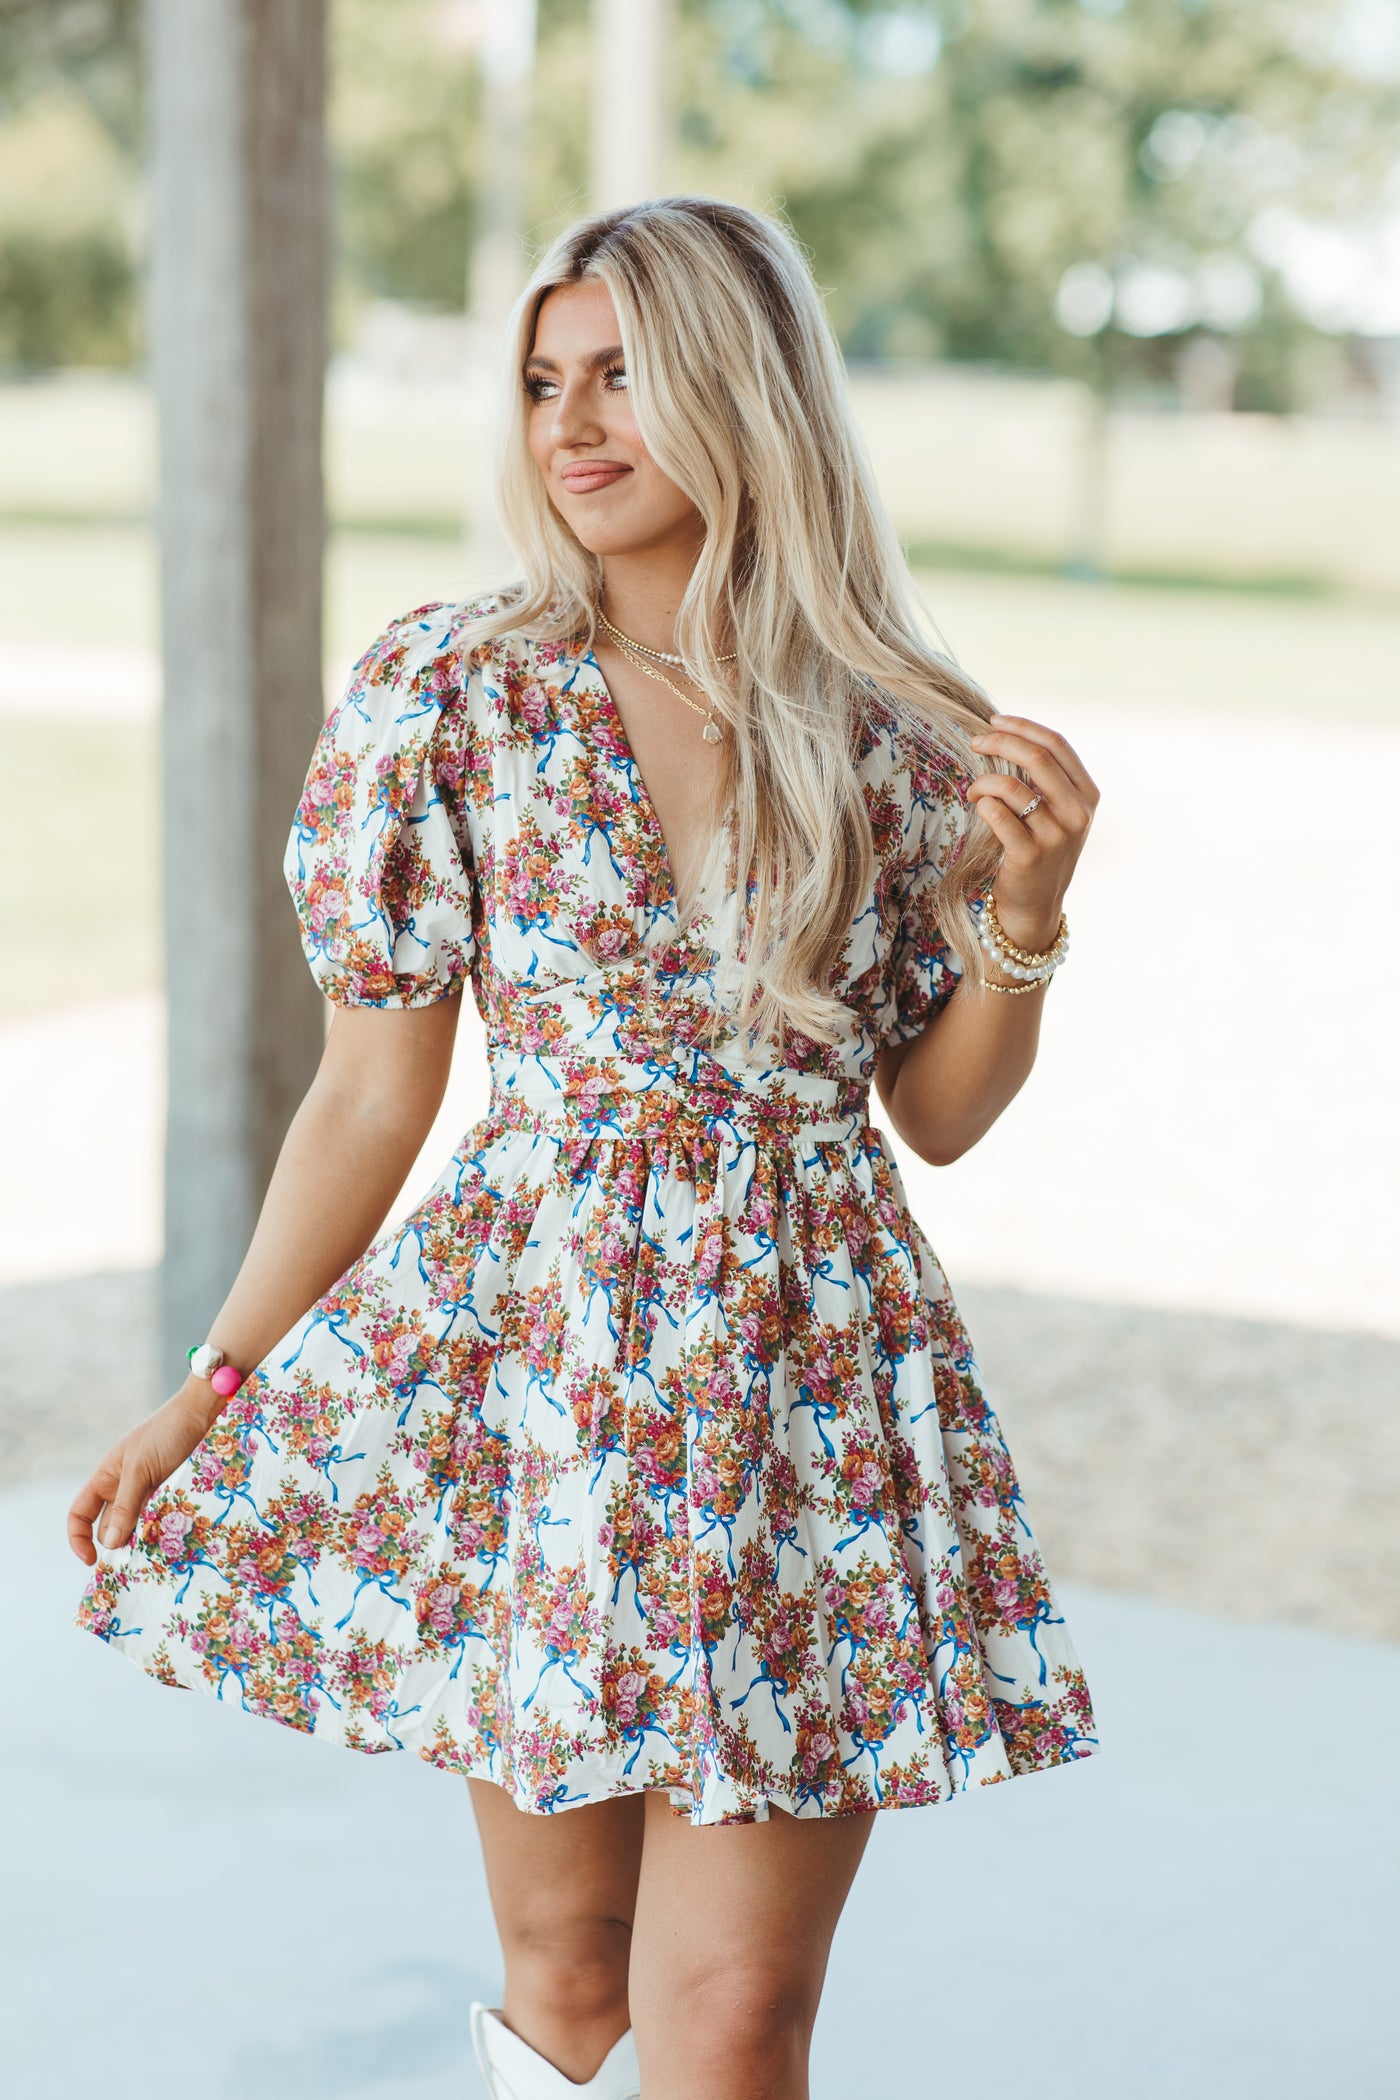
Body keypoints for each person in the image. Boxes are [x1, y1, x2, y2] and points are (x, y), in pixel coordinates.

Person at [69, 195, 1101, 2100]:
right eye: (545, 380)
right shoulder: (450, 694)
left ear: (745, 385)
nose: (572, 421)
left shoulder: (895, 734)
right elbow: (372, 1088)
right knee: (567, 1976)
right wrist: (217, 1379)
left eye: (625, 373)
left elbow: (936, 1119)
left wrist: (1023, 919)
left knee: (730, 2020)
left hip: (804, 1387)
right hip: (548, 1381)